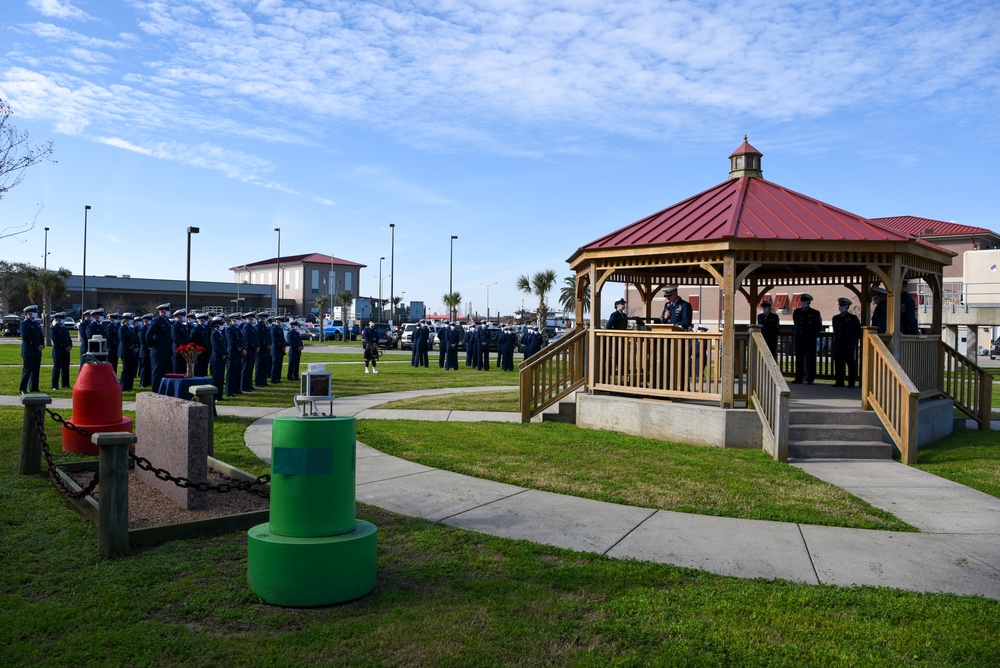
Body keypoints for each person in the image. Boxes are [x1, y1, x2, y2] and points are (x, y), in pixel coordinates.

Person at [831, 297, 862, 388]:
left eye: (843, 305)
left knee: (850, 363)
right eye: (840, 305)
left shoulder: (852, 318)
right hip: (839, 343)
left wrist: (852, 340)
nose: (841, 307)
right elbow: (836, 331)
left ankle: (851, 383)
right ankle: (839, 382)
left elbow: (857, 331)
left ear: (848, 307)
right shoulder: (835, 318)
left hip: (848, 344)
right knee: (838, 363)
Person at [792, 293, 823, 384]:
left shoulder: (815, 313)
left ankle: (810, 378)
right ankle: (799, 378)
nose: (802, 302)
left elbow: (818, 326)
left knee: (810, 359)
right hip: (799, 338)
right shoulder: (796, 312)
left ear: (809, 302)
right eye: (802, 301)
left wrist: (812, 334)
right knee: (799, 359)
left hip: (809, 339)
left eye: (805, 301)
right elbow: (796, 324)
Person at [145, 303, 174, 393]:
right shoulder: (156, 321)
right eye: (167, 310)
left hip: (166, 351)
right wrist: (152, 345)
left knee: (165, 372)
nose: (169, 312)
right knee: (157, 373)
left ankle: (164, 390)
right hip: (158, 351)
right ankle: (156, 391)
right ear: (162, 311)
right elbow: (148, 335)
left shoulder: (167, 321)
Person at [19, 305, 45, 393]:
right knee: (27, 370)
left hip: (37, 351)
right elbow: (26, 337)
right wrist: (36, 345)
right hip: (29, 350)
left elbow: (41, 336)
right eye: (34, 312)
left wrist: (42, 344)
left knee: (36, 370)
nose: (36, 313)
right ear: (29, 313)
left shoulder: (36, 323)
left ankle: (34, 387)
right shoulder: (24, 324)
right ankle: (23, 388)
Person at [50, 311, 73, 390]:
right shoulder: (54, 328)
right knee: (57, 369)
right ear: (57, 319)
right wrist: (64, 346)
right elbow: (56, 340)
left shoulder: (65, 328)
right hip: (59, 351)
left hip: (66, 351)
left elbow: (69, 339)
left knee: (66, 368)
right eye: (61, 318)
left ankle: (65, 384)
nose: (63, 320)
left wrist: (70, 346)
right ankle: (54, 385)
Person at [225, 313, 246, 397]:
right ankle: (229, 391)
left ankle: (237, 389)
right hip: (232, 354)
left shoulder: (237, 329)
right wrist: (240, 350)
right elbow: (232, 342)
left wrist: (243, 349)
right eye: (236, 319)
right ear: (232, 320)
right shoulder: (229, 329)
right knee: (231, 373)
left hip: (238, 354)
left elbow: (242, 340)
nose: (238, 321)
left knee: (237, 372)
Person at [118, 313, 139, 391]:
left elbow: (133, 338)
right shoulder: (122, 328)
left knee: (131, 369)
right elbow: (123, 340)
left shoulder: (130, 328)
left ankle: (129, 386)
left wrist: (135, 346)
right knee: (126, 369)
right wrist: (132, 347)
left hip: (131, 352)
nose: (131, 321)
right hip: (125, 351)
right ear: (125, 320)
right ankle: (123, 385)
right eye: (129, 319)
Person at [209, 316, 228, 401]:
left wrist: (225, 355)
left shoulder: (220, 333)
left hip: (221, 359)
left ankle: (219, 395)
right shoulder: (214, 334)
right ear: (216, 325)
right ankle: (215, 396)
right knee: (216, 379)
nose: (222, 325)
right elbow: (216, 348)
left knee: (220, 379)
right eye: (220, 324)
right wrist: (223, 356)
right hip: (216, 359)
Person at [241, 312, 258, 392]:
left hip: (252, 350)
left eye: (253, 317)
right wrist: (255, 347)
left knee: (250, 368)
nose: (252, 319)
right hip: (249, 350)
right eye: (251, 317)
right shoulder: (246, 327)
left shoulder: (252, 327)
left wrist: (257, 346)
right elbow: (248, 340)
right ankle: (244, 386)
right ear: (247, 318)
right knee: (246, 368)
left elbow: (255, 338)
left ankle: (249, 384)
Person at [170, 308, 190, 375]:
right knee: (178, 368)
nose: (184, 317)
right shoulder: (175, 326)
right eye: (182, 315)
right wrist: (183, 345)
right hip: (178, 350)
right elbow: (176, 339)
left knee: (183, 368)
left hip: (184, 350)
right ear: (178, 316)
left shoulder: (183, 326)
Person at [190, 313, 211, 377]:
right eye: (205, 319)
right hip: (198, 352)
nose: (206, 321)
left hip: (204, 351)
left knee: (203, 369)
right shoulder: (196, 328)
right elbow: (192, 340)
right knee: (197, 368)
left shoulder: (204, 328)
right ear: (201, 320)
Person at [255, 312, 270, 387]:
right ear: (260, 318)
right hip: (261, 348)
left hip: (265, 349)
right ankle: (258, 382)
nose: (264, 319)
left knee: (264, 365)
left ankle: (264, 381)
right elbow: (260, 338)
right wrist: (266, 344)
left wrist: (268, 344)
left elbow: (267, 336)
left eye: (265, 317)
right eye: (263, 317)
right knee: (259, 366)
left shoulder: (264, 326)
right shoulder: (258, 326)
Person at [138, 313, 153, 387]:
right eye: (148, 320)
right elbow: (142, 340)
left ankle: (148, 382)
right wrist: (148, 346)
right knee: (144, 368)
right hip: (144, 351)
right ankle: (143, 383)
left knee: (148, 368)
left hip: (149, 351)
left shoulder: (149, 328)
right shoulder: (142, 329)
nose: (149, 321)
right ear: (145, 320)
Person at [269, 316, 286, 383]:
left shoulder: (280, 329)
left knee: (279, 365)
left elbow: (282, 339)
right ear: (277, 321)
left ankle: (278, 378)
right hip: (276, 350)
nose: (281, 323)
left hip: (280, 350)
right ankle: (273, 378)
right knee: (275, 365)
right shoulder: (274, 329)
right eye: (280, 321)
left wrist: (284, 346)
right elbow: (275, 340)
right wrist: (282, 346)